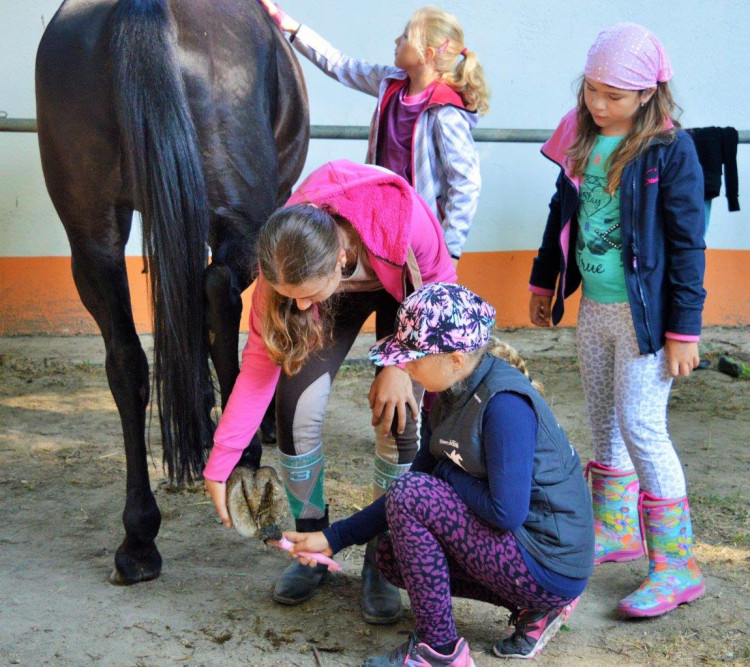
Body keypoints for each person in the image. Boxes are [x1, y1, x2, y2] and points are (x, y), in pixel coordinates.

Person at [278, 283, 594, 664]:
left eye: (414, 356)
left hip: (549, 564)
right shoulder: (445, 396)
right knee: (391, 556)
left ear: (456, 359)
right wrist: (333, 538)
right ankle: (535, 613)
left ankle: (439, 651)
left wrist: (447, 475)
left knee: (413, 494)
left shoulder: (505, 405)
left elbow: (506, 511)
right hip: (520, 551)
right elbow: (410, 490)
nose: (405, 365)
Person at [203, 159, 456, 624]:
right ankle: (310, 544)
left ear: (339, 260)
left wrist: (400, 364)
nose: (297, 305)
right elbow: (259, 364)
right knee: (296, 410)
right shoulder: (286, 259)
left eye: (304, 295)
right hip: (334, 286)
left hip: (405, 290)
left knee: (399, 416)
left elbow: (441, 297)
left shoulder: (408, 221)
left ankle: (384, 556)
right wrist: (222, 462)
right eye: (289, 295)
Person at [528, 23, 706, 618]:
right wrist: (542, 279)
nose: (597, 105)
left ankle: (677, 564)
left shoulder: (668, 149)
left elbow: (687, 245)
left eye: (613, 96)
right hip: (595, 309)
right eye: (592, 91)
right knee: (604, 421)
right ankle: (616, 530)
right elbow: (560, 212)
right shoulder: (582, 137)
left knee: (640, 424)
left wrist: (685, 331)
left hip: (646, 318)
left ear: (646, 95)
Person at [257, 0, 489, 265]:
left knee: (402, 306)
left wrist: (450, 250)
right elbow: (342, 66)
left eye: (404, 36)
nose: (396, 41)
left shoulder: (444, 111)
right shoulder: (391, 83)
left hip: (419, 238)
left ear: (427, 54)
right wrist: (292, 27)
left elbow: (466, 183)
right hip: (381, 224)